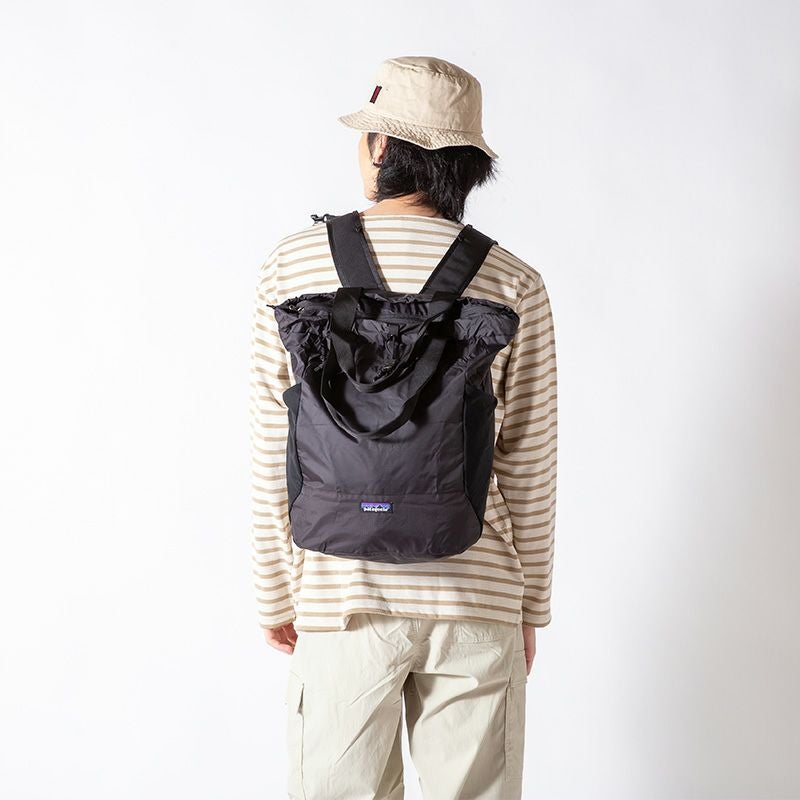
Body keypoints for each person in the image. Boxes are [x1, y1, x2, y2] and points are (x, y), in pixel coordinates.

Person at [249, 56, 558, 800]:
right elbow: (528, 460)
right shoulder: (514, 281)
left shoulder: (292, 267)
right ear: (468, 164)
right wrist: (528, 606)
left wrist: (277, 594)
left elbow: (271, 446)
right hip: (476, 598)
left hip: (340, 597)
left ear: (383, 146)